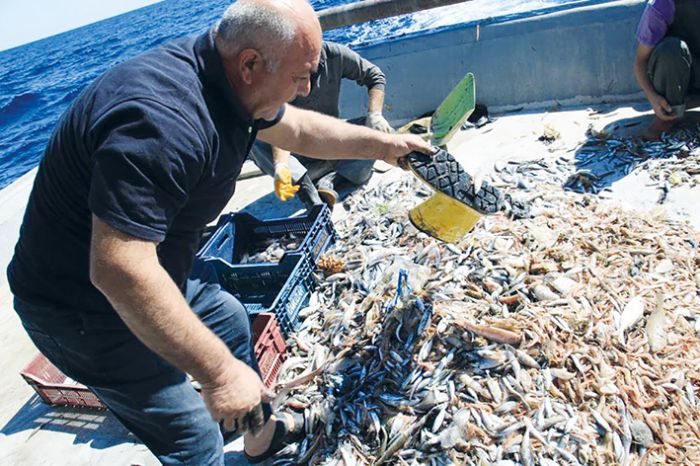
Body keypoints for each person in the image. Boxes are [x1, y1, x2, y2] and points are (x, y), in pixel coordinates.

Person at [5, 0, 432, 464]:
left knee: (227, 317)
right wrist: (221, 375)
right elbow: (118, 270)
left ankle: (261, 436)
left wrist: (388, 145)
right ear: (249, 63)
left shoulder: (231, 82)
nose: (308, 88)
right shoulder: (162, 123)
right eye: (301, 75)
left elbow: (300, 130)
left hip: (154, 271)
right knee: (193, 439)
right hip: (80, 308)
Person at [249, 41, 394, 209]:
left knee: (377, 132)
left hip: (332, 145)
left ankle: (333, 179)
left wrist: (374, 115)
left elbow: (375, 76)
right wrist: (281, 165)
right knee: (256, 138)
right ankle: (310, 195)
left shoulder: (336, 54)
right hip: (297, 154)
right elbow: (277, 124)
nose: (306, 89)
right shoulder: (280, 68)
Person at [634, 0, 700, 140]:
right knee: (671, 49)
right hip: (682, 87)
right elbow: (641, 61)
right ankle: (668, 117)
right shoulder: (662, 5)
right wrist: (652, 96)